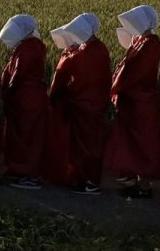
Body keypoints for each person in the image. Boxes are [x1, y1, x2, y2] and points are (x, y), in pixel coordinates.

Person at [46, 13, 112, 195]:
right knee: (85, 143)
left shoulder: (88, 52)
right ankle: (84, 178)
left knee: (88, 145)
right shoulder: (97, 48)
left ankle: (91, 181)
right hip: (90, 104)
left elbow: (65, 73)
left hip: (86, 104)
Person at [104, 5, 160, 198]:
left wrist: (120, 87)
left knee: (142, 142)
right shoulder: (141, 40)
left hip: (140, 101)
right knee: (132, 142)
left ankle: (144, 186)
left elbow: (138, 73)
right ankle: (135, 181)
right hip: (132, 100)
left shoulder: (151, 43)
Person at [0, 14, 47, 189]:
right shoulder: (30, 46)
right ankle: (19, 171)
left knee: (27, 136)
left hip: (26, 100)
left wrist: (9, 91)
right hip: (27, 99)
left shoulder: (28, 48)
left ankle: (29, 175)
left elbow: (20, 74)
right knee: (21, 135)